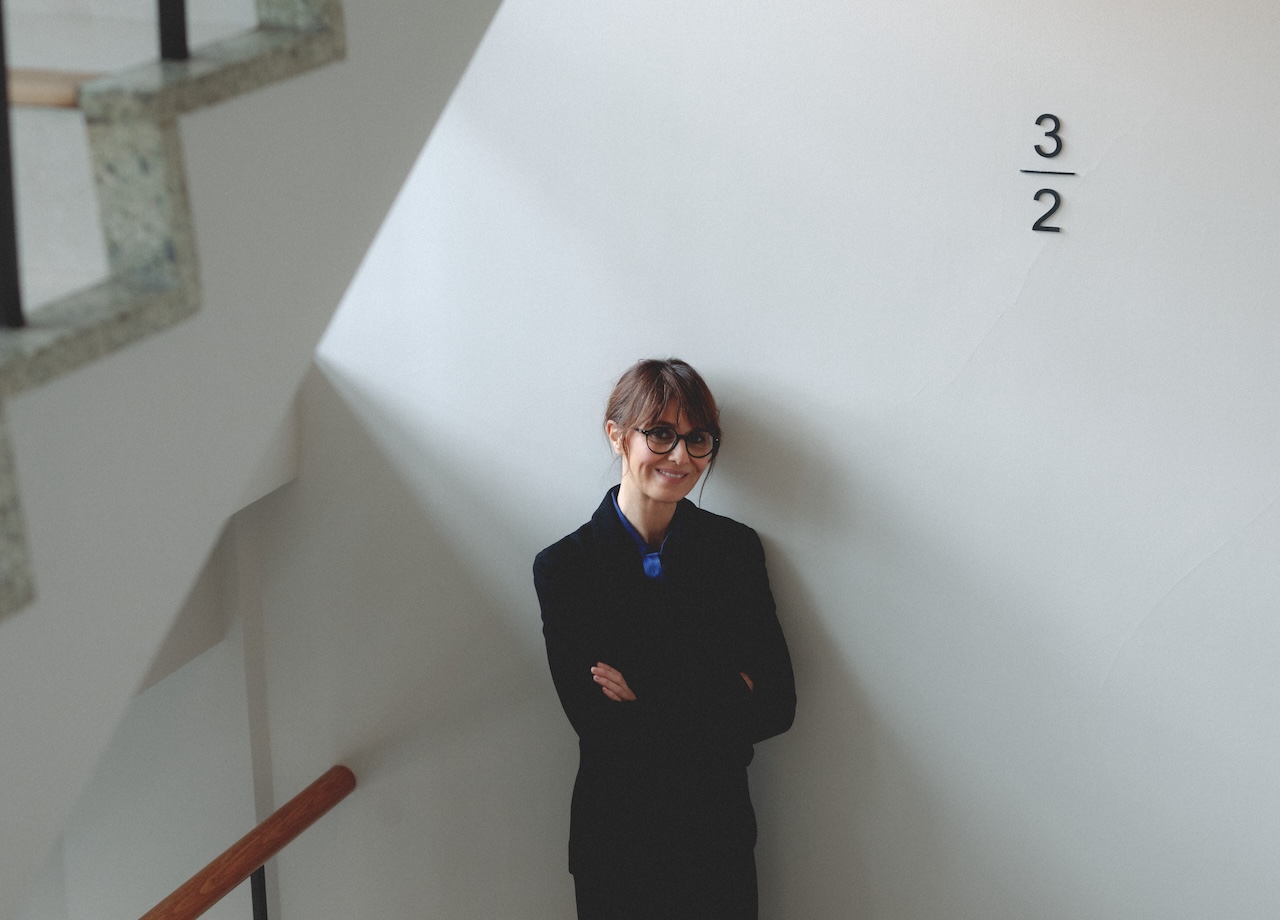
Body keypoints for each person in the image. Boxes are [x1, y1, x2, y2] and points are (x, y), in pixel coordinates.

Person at [533, 358, 796, 920]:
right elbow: (598, 724)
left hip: (717, 839)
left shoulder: (734, 551)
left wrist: (646, 685)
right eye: (660, 433)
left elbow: (777, 704)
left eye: (697, 439)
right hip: (618, 844)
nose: (680, 457)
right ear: (617, 436)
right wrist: (727, 687)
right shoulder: (565, 567)